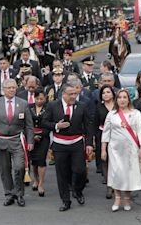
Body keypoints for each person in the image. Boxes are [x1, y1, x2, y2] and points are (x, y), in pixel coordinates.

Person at [42, 81, 93, 212]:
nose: (73, 97)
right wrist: (56, 126)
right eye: (71, 94)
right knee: (62, 174)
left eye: (75, 94)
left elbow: (88, 126)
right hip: (60, 144)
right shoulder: (53, 105)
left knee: (80, 170)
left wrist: (89, 144)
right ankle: (66, 200)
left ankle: (78, 191)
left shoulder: (81, 106)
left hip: (76, 143)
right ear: (63, 94)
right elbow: (44, 122)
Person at [0, 79, 34, 207]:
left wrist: (30, 141)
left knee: (19, 167)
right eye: (9, 88)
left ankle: (19, 194)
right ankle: (9, 194)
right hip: (1, 141)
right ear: (3, 89)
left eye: (14, 87)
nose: (12, 90)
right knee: (5, 169)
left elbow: (29, 125)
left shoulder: (23, 104)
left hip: (17, 140)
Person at [101, 89, 141, 212]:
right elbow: (106, 133)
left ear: (128, 99)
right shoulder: (112, 114)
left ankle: (127, 198)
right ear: (116, 99)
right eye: (120, 97)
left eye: (124, 97)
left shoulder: (136, 113)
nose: (122, 100)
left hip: (131, 149)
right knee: (117, 173)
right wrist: (103, 150)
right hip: (115, 150)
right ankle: (117, 198)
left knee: (128, 174)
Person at [94, 85, 115, 198]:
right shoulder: (98, 106)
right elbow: (95, 123)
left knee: (115, 161)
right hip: (102, 135)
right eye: (103, 93)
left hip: (117, 136)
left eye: (108, 92)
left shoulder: (118, 106)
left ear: (112, 93)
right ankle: (109, 186)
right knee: (105, 160)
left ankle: (117, 184)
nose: (106, 94)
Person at [29, 89, 50, 197]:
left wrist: (41, 135)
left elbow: (49, 123)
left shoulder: (48, 108)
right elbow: (27, 123)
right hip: (31, 137)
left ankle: (41, 183)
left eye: (41, 99)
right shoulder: (29, 107)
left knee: (41, 160)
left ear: (45, 98)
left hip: (44, 137)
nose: (39, 101)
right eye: (37, 98)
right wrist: (32, 135)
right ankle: (35, 180)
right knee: (34, 161)